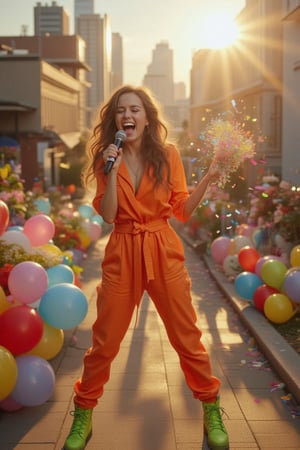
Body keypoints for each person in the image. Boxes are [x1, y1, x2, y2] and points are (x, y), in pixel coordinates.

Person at [64, 85, 229, 450]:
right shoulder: (107, 160)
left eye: (135, 109)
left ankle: (211, 406)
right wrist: (114, 170)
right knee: (105, 343)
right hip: (123, 251)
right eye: (122, 110)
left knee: (187, 337)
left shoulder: (168, 155)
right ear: (114, 120)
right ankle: (83, 413)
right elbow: (108, 215)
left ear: (147, 117)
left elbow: (181, 210)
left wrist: (207, 179)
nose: (128, 115)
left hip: (162, 248)